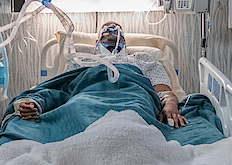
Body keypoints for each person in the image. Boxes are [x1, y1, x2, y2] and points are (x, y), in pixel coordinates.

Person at [16, 21, 188, 128]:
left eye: (116, 29)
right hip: (85, 102)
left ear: (124, 40)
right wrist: (38, 102)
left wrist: (171, 105)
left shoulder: (143, 59)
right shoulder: (81, 60)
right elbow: (61, 90)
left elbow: (164, 91)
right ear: (96, 42)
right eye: (106, 29)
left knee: (135, 117)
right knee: (78, 110)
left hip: (133, 101)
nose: (111, 29)